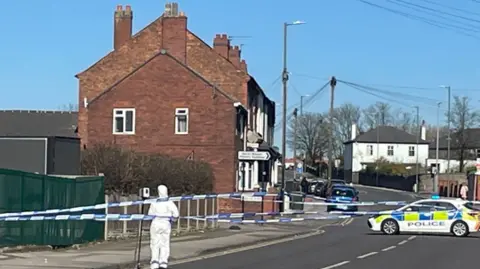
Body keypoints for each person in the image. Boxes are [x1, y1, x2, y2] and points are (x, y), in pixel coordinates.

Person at [149, 185, 179, 269]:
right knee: (165, 243)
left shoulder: (154, 202)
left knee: (154, 243)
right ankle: (163, 261)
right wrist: (173, 220)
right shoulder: (170, 203)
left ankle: (154, 261)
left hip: (156, 224)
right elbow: (176, 214)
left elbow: (150, 214)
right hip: (166, 224)